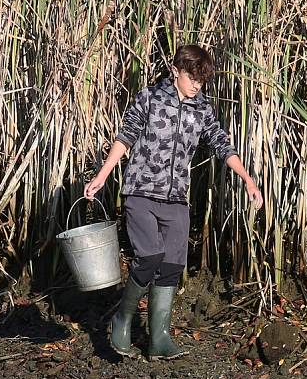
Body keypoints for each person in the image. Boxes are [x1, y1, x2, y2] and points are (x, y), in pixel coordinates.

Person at [84, 44, 263, 360]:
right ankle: (122, 318)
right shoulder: (150, 98)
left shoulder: (201, 109)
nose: (197, 85)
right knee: (150, 256)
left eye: (202, 80)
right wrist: (102, 175)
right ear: (176, 70)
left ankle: (159, 338)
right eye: (192, 77)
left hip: (177, 198)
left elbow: (222, 144)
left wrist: (248, 180)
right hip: (140, 192)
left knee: (171, 265)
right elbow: (125, 137)